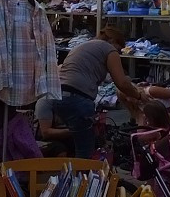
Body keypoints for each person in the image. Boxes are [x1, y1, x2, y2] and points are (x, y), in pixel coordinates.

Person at [47, 25, 142, 158]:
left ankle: (75, 175)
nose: (118, 53)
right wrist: (139, 95)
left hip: (58, 97)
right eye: (119, 49)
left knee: (78, 144)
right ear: (114, 41)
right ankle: (83, 177)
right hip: (77, 98)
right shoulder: (109, 49)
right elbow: (122, 83)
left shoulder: (85, 46)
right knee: (85, 151)